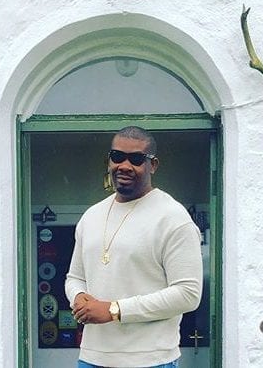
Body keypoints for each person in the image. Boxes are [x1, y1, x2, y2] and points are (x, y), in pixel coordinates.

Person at [65, 126, 203, 368]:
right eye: (117, 156)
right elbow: (75, 277)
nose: (125, 166)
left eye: (137, 159)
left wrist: (115, 310)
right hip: (92, 358)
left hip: (150, 360)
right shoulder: (91, 216)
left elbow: (188, 294)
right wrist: (78, 296)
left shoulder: (172, 218)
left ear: (153, 165)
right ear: (109, 161)